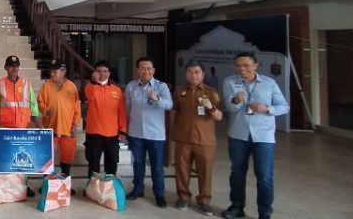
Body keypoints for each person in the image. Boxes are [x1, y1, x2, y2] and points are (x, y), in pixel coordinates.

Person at [221, 52, 290, 219]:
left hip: (263, 136)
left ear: (255, 66)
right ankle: (237, 206)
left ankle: (264, 213)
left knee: (265, 176)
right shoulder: (230, 82)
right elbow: (229, 109)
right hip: (238, 134)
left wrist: (267, 109)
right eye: (238, 66)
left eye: (246, 65)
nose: (242, 69)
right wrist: (236, 101)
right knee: (237, 172)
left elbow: (284, 106)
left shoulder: (269, 83)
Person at [170, 60, 223, 216]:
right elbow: (173, 112)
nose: (193, 75)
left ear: (203, 74)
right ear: (186, 74)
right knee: (181, 170)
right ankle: (183, 197)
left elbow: (219, 116)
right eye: (190, 72)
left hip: (205, 140)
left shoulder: (211, 92)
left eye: (197, 72)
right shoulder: (179, 92)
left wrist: (210, 107)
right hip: (183, 138)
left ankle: (204, 201)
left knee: (205, 172)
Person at [0, 55, 42, 197]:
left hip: (22, 127)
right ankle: (8, 186)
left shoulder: (26, 83)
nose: (14, 68)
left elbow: (33, 103)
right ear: (5, 68)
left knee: (23, 160)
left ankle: (24, 186)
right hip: (6, 128)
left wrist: (36, 120)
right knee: (8, 159)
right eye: (11, 66)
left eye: (16, 66)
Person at [123, 57, 172, 208]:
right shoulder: (131, 87)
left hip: (156, 135)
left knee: (157, 166)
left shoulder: (161, 87)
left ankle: (159, 194)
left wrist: (156, 98)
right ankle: (138, 189)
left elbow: (169, 105)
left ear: (154, 70)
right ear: (137, 70)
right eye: (143, 68)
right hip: (136, 133)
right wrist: (125, 131)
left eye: (149, 68)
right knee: (138, 164)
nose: (146, 71)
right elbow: (127, 109)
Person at [37, 59, 81, 195]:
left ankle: (64, 185)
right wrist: (45, 111)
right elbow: (40, 103)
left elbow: (77, 108)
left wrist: (75, 125)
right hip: (50, 130)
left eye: (55, 71)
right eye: (50, 71)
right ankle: (46, 185)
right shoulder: (46, 86)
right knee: (47, 158)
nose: (52, 74)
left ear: (63, 72)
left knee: (66, 159)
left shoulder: (72, 87)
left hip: (68, 131)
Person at [84, 60, 127, 184]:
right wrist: (93, 81)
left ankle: (109, 187)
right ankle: (91, 187)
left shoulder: (117, 90)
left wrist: (123, 129)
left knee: (112, 162)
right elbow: (90, 95)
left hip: (112, 133)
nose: (102, 74)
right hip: (94, 133)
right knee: (93, 162)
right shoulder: (90, 87)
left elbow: (121, 111)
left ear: (109, 73)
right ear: (94, 73)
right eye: (99, 71)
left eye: (104, 71)